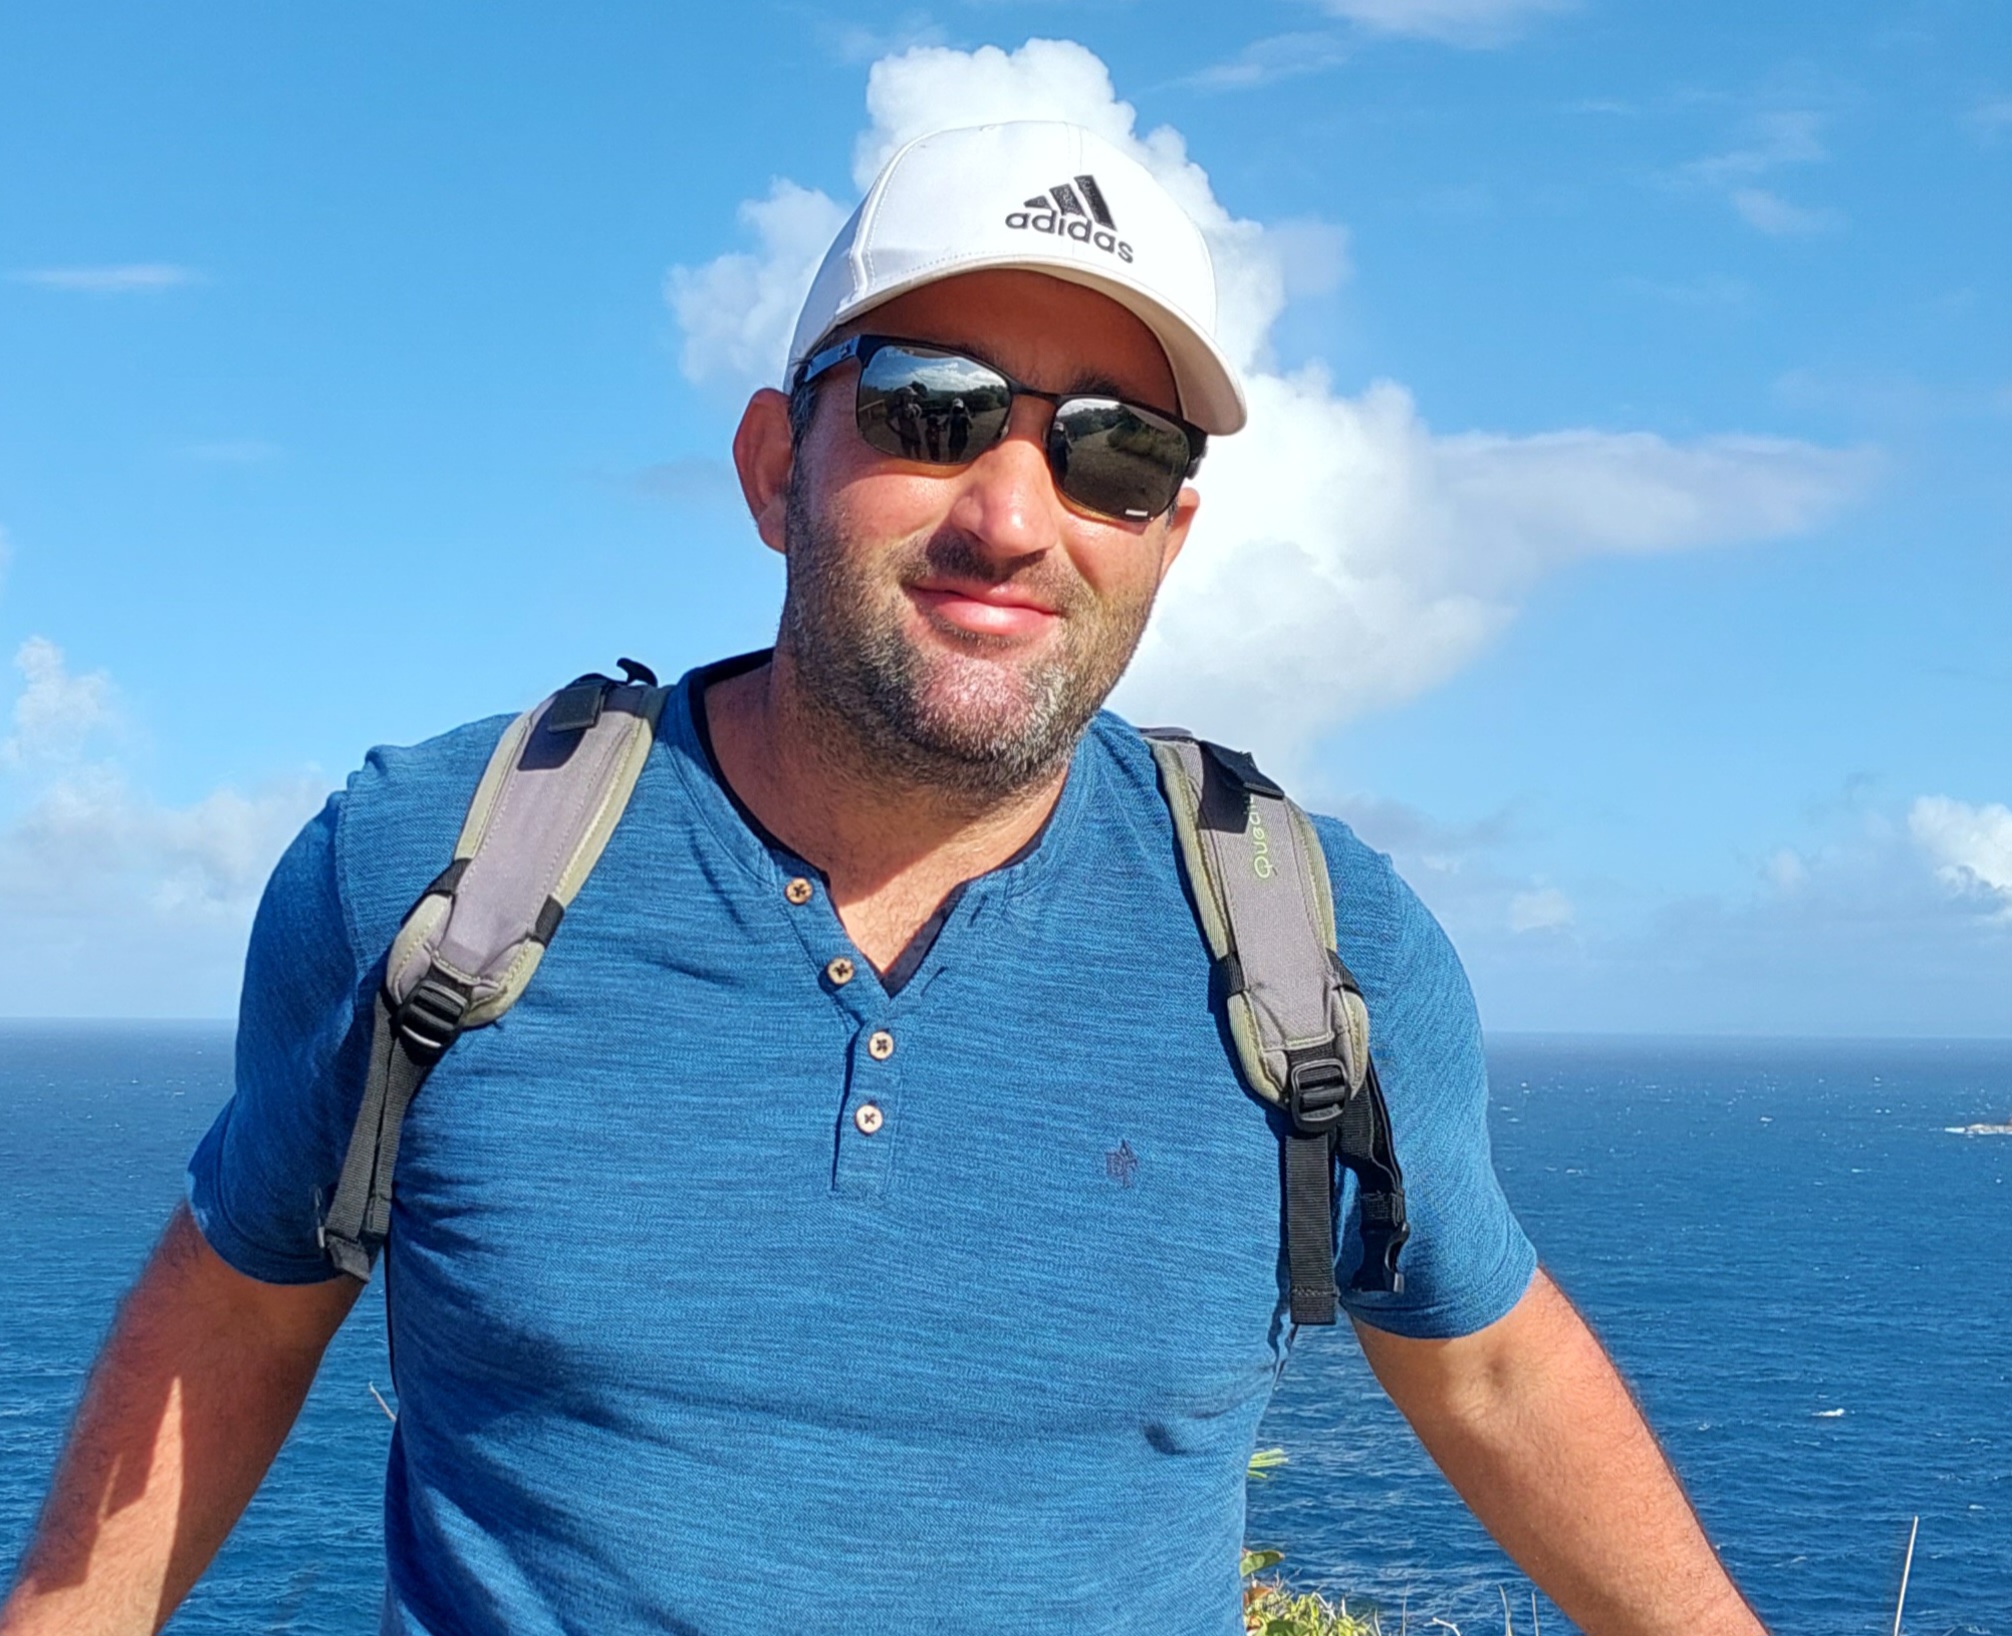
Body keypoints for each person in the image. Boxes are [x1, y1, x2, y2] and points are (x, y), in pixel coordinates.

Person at [0, 121, 1768, 1636]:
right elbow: (236, 1308)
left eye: (1117, 451)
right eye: (934, 411)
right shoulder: (434, 873)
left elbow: (1492, 1362)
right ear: (777, 466)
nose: (1013, 515)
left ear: (1170, 535)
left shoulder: (1321, 943)